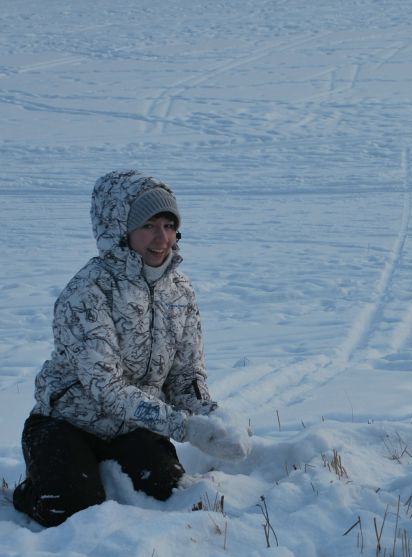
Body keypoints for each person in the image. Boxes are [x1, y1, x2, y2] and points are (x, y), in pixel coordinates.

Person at [14, 170, 247, 527]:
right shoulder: (86, 293)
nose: (162, 238)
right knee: (70, 512)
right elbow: (106, 390)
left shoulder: (180, 291)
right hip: (65, 423)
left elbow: (185, 377)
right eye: (149, 225)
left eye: (169, 225)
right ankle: (27, 490)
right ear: (119, 230)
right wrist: (186, 429)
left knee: (171, 495)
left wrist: (214, 420)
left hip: (131, 428)